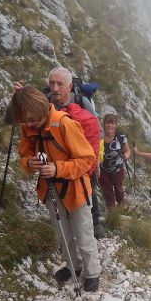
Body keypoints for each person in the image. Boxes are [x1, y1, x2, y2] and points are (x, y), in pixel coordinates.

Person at [10, 86, 101, 292]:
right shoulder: (28, 127)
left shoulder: (64, 124)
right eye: (26, 121)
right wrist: (29, 163)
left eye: (32, 120)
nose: (29, 125)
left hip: (76, 189)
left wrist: (58, 168)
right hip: (50, 189)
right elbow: (24, 155)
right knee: (63, 233)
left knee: (84, 233)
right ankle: (73, 266)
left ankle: (92, 272)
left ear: (42, 110)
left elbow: (87, 159)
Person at [13, 66, 104, 238]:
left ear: (69, 87)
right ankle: (69, 224)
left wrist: (93, 164)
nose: (55, 88)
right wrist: (19, 99)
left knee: (88, 187)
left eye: (59, 84)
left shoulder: (82, 103)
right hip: (57, 157)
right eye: (52, 83)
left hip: (80, 155)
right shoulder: (44, 102)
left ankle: (95, 221)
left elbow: (94, 133)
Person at [99, 114, 130, 208]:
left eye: (112, 123)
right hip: (103, 170)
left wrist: (126, 155)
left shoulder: (120, 137)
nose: (110, 125)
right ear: (104, 123)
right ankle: (112, 211)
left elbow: (127, 150)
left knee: (119, 189)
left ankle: (121, 208)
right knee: (107, 190)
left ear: (116, 125)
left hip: (117, 170)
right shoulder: (99, 136)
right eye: (107, 123)